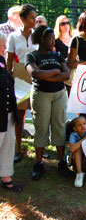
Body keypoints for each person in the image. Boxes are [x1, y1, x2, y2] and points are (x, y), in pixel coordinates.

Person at [25, 25, 70, 180]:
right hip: (41, 95)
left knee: (59, 126)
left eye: (53, 38)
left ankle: (61, 161)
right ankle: (38, 163)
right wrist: (55, 71)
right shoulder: (32, 56)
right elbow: (35, 73)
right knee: (41, 127)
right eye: (50, 39)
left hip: (59, 94)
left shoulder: (57, 54)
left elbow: (67, 74)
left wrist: (47, 75)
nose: (53, 41)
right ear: (41, 39)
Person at [6, 4, 38, 163]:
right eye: (31, 17)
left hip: (35, 73)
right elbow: (9, 58)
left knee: (38, 113)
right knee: (19, 114)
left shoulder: (37, 35)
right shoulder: (13, 36)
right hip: (18, 73)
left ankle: (40, 148)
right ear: (23, 19)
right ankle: (18, 149)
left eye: (35, 17)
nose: (34, 20)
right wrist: (9, 76)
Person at [0, 32, 22, 192]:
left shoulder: (1, 61)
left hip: (7, 111)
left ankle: (6, 177)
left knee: (8, 145)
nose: (4, 48)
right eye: (2, 45)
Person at [68, 116, 86, 187]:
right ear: (75, 129)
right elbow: (72, 149)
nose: (82, 126)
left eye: (84, 123)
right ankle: (79, 173)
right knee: (78, 148)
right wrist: (85, 139)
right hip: (73, 159)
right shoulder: (73, 135)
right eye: (79, 125)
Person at [54, 15, 73, 95]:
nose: (66, 25)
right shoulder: (55, 42)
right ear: (58, 26)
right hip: (62, 73)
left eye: (67, 23)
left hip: (75, 72)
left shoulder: (75, 39)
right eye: (63, 24)